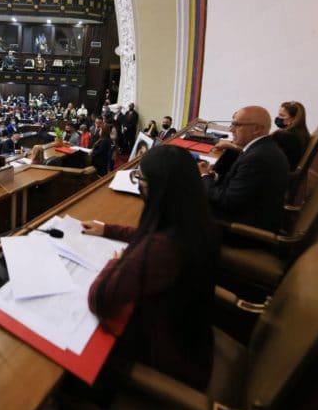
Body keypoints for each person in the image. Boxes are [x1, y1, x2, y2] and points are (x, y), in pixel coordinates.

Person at [82, 145, 218, 390]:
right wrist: (108, 229)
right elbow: (151, 230)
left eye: (140, 179)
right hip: (190, 336)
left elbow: (100, 298)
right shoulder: (194, 218)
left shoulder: (162, 249)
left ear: (159, 188)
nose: (138, 184)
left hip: (164, 355)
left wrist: (116, 261)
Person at [200, 105, 289, 233]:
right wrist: (213, 176)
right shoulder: (263, 148)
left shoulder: (258, 158)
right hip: (250, 215)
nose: (231, 129)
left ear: (257, 129)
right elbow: (239, 188)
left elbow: (226, 202)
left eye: (237, 125)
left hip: (243, 231)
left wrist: (204, 176)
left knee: (181, 201)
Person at [271, 101, 310, 170]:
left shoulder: (286, 136)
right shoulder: (301, 133)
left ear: (293, 119)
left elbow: (270, 157)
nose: (278, 117)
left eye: (282, 115)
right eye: (278, 114)